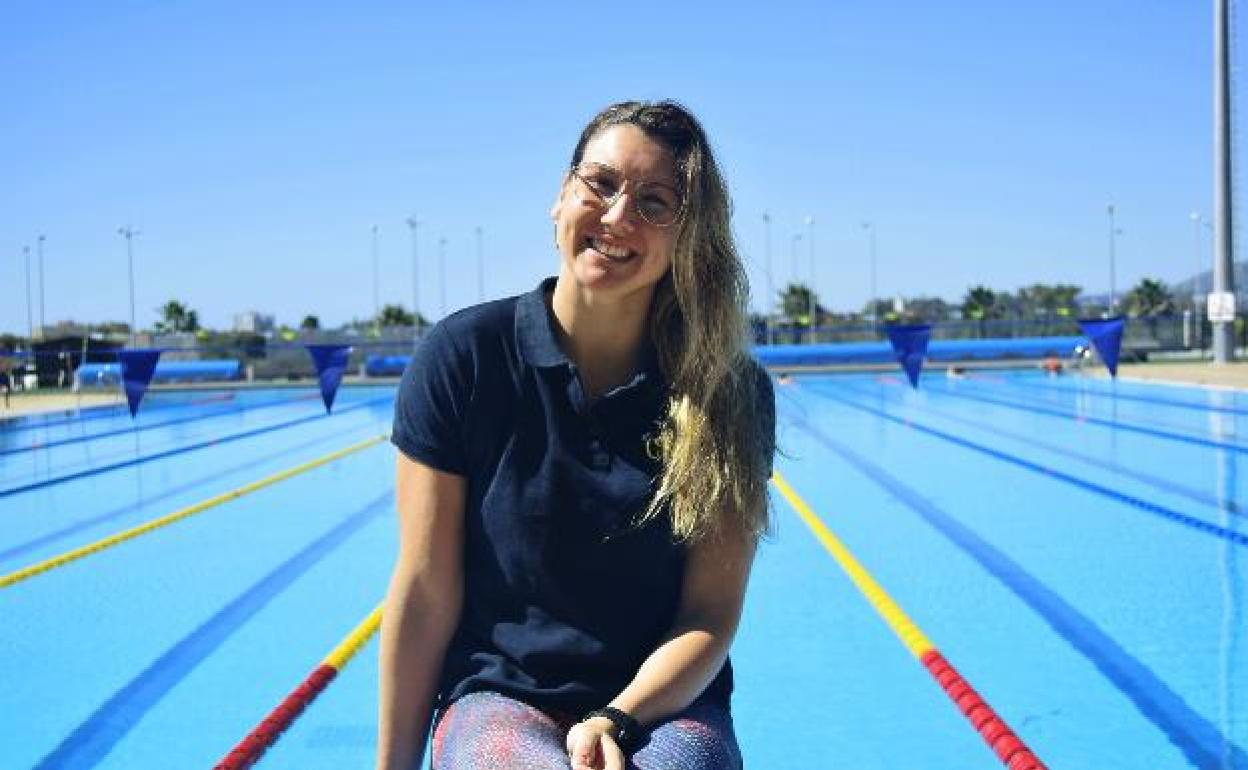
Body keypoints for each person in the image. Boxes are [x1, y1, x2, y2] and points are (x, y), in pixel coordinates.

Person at [378, 101, 775, 770]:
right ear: (562, 194)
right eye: (602, 184)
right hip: (499, 695)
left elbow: (708, 614)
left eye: (655, 203)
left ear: (686, 236)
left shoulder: (727, 392)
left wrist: (618, 717)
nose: (618, 216)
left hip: (664, 703)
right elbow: (426, 590)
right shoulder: (465, 357)